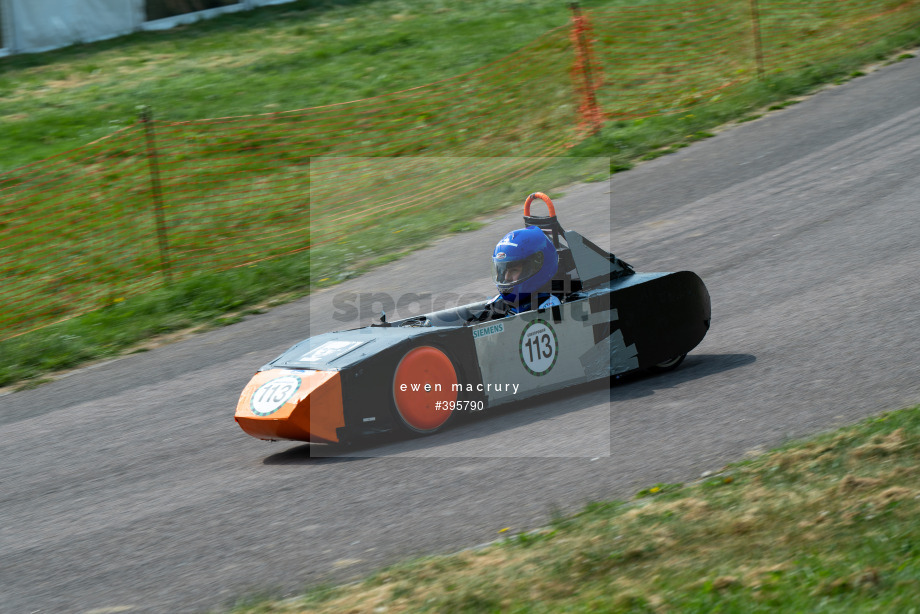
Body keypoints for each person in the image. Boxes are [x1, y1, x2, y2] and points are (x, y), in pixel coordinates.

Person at [487, 225, 561, 316]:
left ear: (535, 267)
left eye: (514, 270)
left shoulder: (549, 306)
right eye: (503, 270)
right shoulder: (499, 304)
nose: (506, 277)